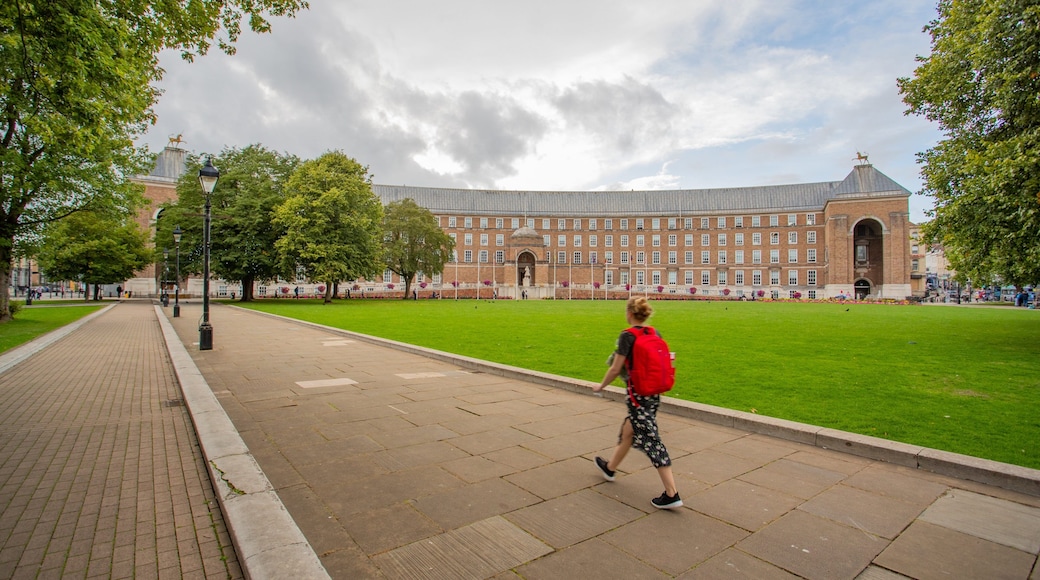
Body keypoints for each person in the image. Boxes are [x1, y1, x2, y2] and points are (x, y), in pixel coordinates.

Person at [592, 296, 682, 509]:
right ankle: (610, 468)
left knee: (652, 441)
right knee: (628, 432)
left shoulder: (627, 336)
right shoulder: (654, 333)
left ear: (629, 314)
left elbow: (615, 368)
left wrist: (601, 386)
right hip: (653, 394)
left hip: (637, 396)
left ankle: (672, 493)